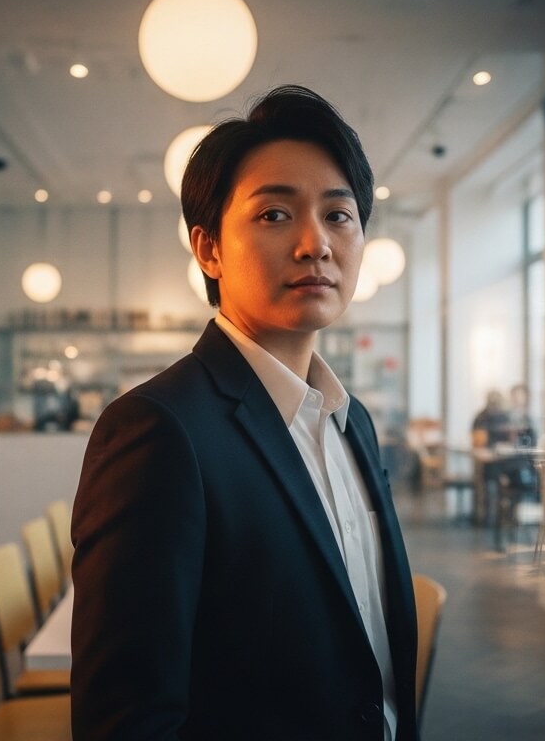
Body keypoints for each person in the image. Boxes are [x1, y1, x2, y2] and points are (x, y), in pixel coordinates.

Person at [72, 86, 419, 740]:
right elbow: (125, 720)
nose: (315, 244)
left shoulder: (354, 422)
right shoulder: (158, 431)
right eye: (275, 215)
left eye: (339, 216)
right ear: (208, 250)